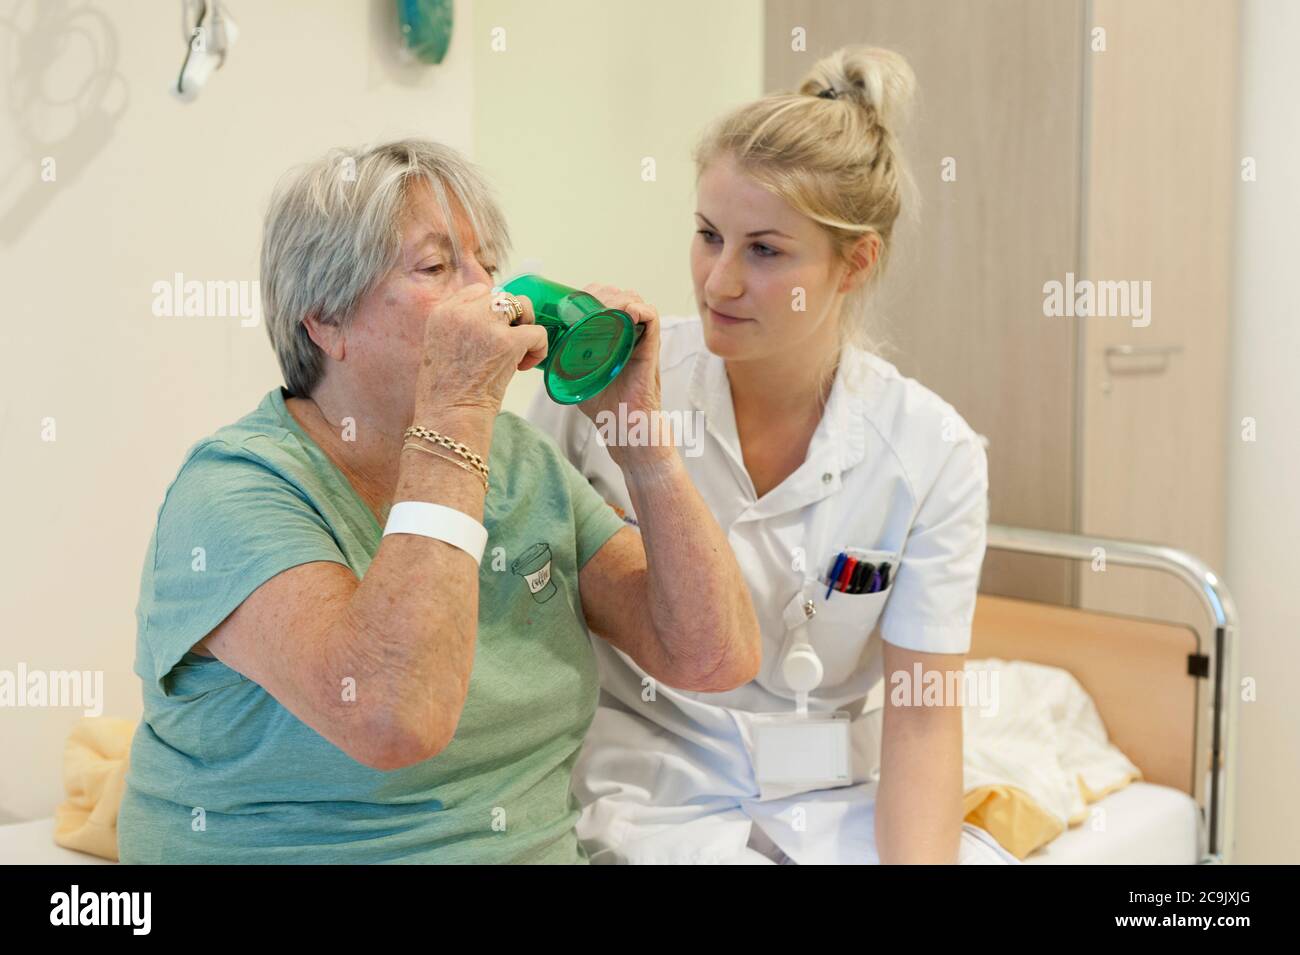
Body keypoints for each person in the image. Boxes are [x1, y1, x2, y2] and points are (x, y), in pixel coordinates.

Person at [118, 138, 761, 863]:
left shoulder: (517, 460)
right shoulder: (233, 492)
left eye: (485, 261)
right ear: (325, 320)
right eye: (434, 266)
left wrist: (641, 438)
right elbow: (395, 719)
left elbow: (712, 656)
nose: (491, 292)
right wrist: (454, 410)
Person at [528, 48, 1018, 864]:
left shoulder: (932, 453)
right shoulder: (607, 390)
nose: (718, 282)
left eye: (764, 251)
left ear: (854, 262)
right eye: (708, 235)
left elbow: (923, 715)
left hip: (833, 798)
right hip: (643, 791)